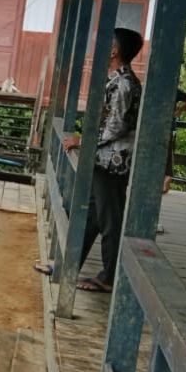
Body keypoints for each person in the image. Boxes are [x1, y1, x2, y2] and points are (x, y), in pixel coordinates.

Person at [34, 28, 144, 293]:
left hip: (113, 163)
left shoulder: (123, 83)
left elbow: (116, 126)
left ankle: (109, 277)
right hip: (104, 159)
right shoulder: (117, 80)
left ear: (114, 51)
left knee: (109, 220)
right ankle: (67, 264)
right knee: (92, 217)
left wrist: (82, 140)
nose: (98, 49)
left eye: (104, 44)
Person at [164, 88, 186, 194]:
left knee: (168, 155)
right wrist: (180, 110)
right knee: (168, 155)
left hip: (167, 128)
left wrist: (180, 110)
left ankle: (166, 179)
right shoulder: (174, 90)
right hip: (167, 127)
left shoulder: (173, 90)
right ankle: (166, 180)